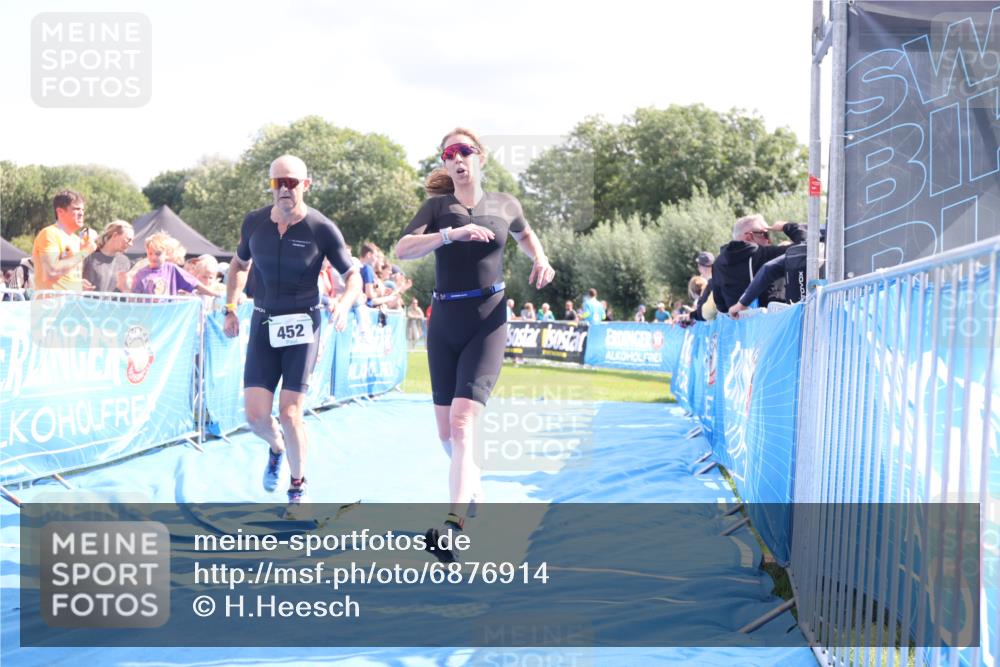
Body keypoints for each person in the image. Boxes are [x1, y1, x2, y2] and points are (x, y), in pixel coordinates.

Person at [395, 127, 555, 560]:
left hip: (488, 319)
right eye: (449, 154)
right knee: (446, 432)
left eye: (465, 151)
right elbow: (403, 249)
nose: (457, 159)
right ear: (445, 163)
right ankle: (472, 482)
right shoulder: (437, 207)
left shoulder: (505, 204)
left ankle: (452, 526)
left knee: (463, 421)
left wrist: (541, 259)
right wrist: (451, 234)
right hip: (444, 320)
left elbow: (525, 235)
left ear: (480, 156)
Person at [223, 155, 362, 511]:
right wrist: (230, 306)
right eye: (278, 182)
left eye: (292, 182)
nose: (285, 189)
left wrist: (344, 303)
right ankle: (276, 448)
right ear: (271, 185)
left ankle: (297, 486)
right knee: (255, 417)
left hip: (303, 326)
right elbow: (238, 264)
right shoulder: (254, 222)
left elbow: (353, 277)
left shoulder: (321, 227)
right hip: (263, 322)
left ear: (306, 185)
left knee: (290, 413)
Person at [711, 214, 805, 313]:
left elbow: (721, 306)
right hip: (770, 319)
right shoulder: (764, 255)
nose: (769, 240)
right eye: (765, 234)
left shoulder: (717, 264)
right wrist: (786, 226)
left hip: (738, 320)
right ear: (749, 237)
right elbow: (806, 247)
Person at [32, 189, 97, 292]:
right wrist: (85, 252)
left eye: (82, 210)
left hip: (72, 301)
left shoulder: (76, 239)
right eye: (76, 209)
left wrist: (77, 284)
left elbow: (65, 272)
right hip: (50, 301)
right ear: (60, 211)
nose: (81, 213)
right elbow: (51, 272)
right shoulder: (49, 233)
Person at [131, 233, 219, 297]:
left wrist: (213, 294)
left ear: (166, 253)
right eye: (150, 253)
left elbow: (194, 283)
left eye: (158, 254)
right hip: (149, 315)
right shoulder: (140, 274)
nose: (153, 257)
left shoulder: (171, 269)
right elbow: (134, 298)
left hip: (169, 315)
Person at [82, 220, 134, 293]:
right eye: (128, 239)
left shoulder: (125, 262)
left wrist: (125, 288)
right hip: (85, 300)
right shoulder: (89, 255)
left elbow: (128, 292)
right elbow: (69, 277)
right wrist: (78, 284)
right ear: (115, 235)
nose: (131, 244)